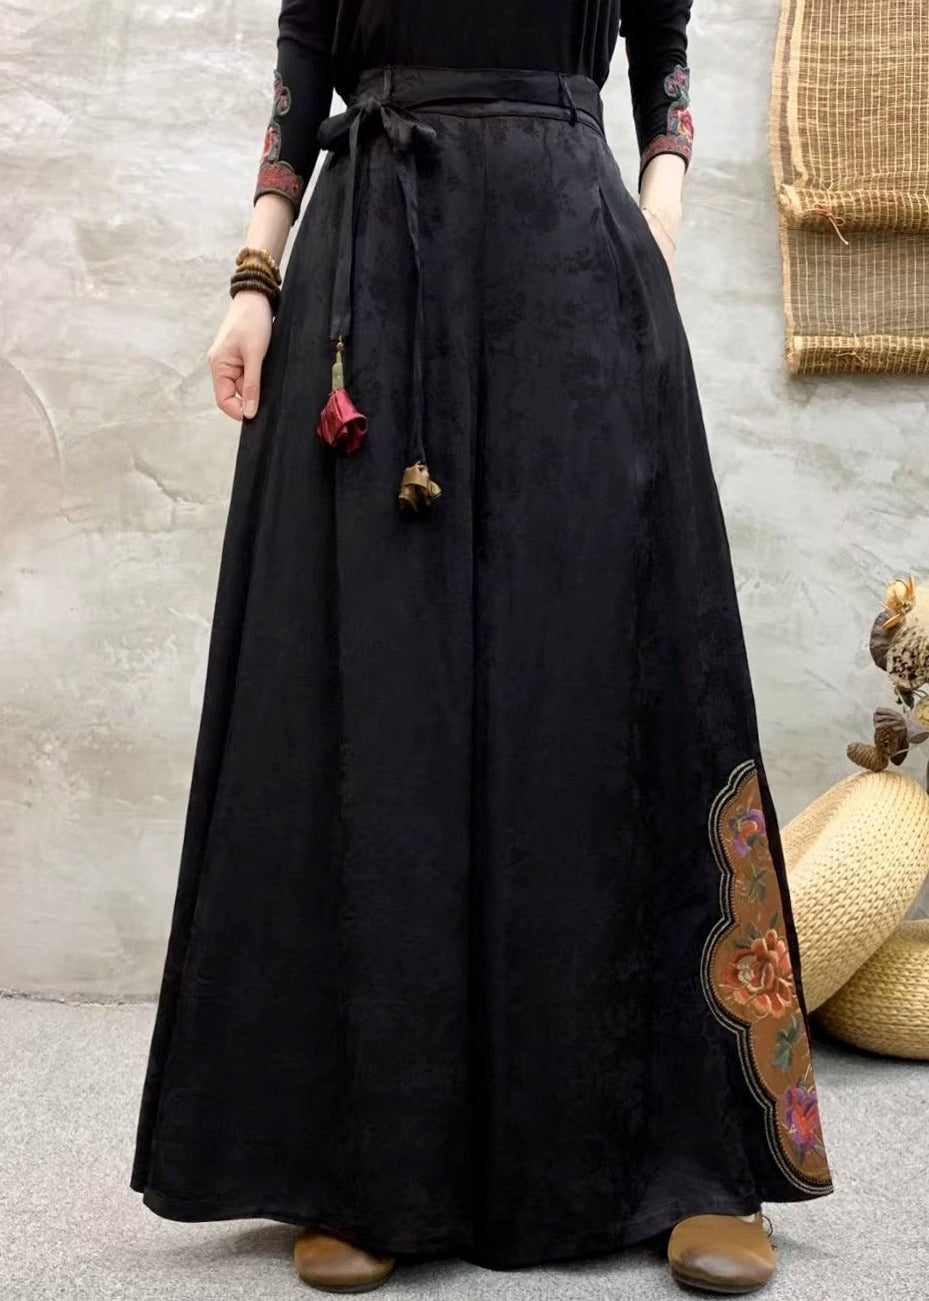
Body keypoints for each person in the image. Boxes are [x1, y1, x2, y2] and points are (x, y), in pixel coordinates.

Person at [130, 1, 835, 1294]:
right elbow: (303, 62)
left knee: (603, 683)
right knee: (383, 696)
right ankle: (368, 1161)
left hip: (574, 257)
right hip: (369, 282)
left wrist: (656, 224)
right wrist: (252, 280)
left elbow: (664, 52)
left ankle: (691, 1155)